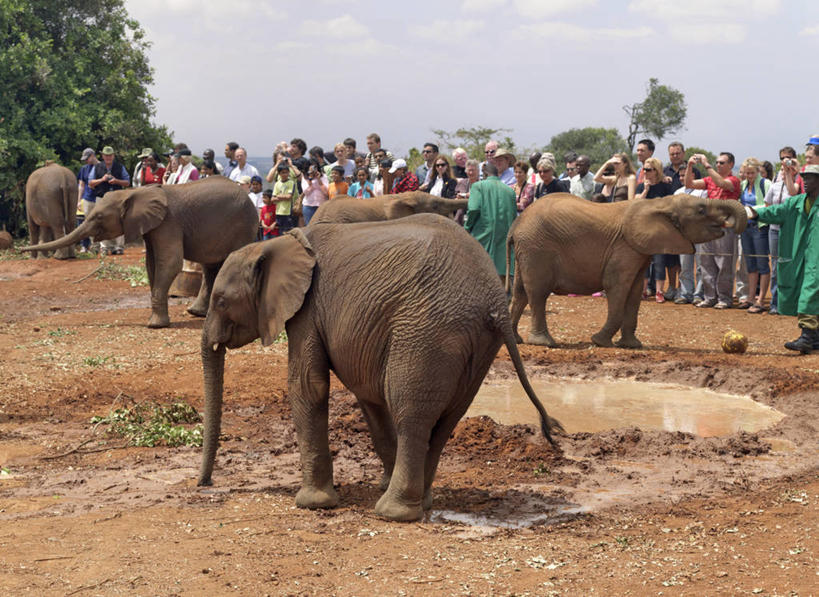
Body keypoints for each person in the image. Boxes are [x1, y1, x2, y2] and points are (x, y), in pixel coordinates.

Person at [746, 164, 819, 353]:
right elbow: (775, 212)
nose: (805, 181)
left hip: (815, 260)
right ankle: (814, 336)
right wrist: (752, 212)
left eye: (810, 178)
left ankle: (807, 336)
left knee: (810, 291)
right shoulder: (795, 203)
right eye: (804, 177)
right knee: (805, 290)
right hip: (799, 256)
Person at [685, 152, 741, 309]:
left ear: (731, 165)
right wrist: (689, 166)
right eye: (717, 162)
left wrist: (706, 165)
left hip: (724, 227)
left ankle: (724, 298)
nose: (718, 165)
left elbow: (722, 184)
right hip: (707, 227)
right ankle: (710, 297)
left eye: (722, 163)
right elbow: (689, 184)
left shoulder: (734, 180)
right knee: (706, 262)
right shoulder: (709, 179)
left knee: (724, 263)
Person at [465, 163, 518, 281]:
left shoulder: (477, 186)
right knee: (503, 277)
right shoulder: (510, 191)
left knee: (481, 276)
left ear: (484, 174)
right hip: (505, 239)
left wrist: (467, 228)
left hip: (483, 236)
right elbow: (514, 217)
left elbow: (473, 209)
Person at [764, 147, 801, 315]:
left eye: (788, 158)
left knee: (789, 264)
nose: (784, 160)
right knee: (775, 267)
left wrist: (790, 172)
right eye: (782, 158)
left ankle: (790, 302)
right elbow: (769, 205)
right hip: (774, 229)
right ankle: (775, 303)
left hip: (791, 229)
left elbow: (794, 192)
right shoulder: (775, 182)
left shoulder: (800, 179)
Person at [636, 157, 675, 302]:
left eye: (648, 169)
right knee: (644, 261)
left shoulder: (665, 187)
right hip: (644, 228)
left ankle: (659, 291)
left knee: (659, 260)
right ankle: (644, 290)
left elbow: (669, 206)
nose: (645, 172)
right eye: (644, 169)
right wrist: (645, 190)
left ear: (656, 171)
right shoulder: (641, 187)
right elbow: (635, 205)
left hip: (660, 229)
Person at [738, 157, 772, 313]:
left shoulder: (766, 184)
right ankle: (751, 297)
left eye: (752, 173)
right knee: (750, 265)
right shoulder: (743, 185)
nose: (749, 176)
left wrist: (752, 210)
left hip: (760, 227)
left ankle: (761, 299)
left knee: (762, 264)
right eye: (747, 173)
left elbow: (769, 205)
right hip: (746, 227)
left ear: (758, 171)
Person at [673, 162, 707, 305]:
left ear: (693, 175)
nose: (682, 178)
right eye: (680, 175)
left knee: (700, 264)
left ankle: (699, 293)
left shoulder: (702, 191)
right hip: (683, 233)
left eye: (685, 174)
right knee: (685, 264)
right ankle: (686, 293)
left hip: (699, 231)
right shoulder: (677, 192)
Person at [89, 146, 130, 255]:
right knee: (102, 222)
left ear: (113, 156)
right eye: (106, 155)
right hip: (102, 198)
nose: (108, 157)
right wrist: (102, 180)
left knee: (119, 221)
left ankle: (119, 246)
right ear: (102, 156)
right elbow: (91, 183)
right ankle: (105, 247)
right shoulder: (97, 167)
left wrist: (116, 181)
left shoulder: (120, 167)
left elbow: (127, 182)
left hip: (117, 198)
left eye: (110, 155)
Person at [76, 147, 98, 253]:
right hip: (86, 198)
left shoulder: (101, 167)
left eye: (87, 158)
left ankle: (95, 246)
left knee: (96, 223)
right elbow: (81, 185)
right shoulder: (84, 169)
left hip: (98, 199)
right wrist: (79, 200)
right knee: (82, 222)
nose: (86, 161)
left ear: (93, 156)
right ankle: (84, 245)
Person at [272, 163, 297, 234]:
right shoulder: (277, 184)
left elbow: (289, 197)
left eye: (286, 172)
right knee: (280, 231)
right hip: (279, 212)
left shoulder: (291, 183)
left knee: (288, 232)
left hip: (288, 212)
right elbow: (273, 199)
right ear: (279, 174)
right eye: (283, 173)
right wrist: (283, 197)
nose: (285, 174)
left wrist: (279, 196)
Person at [454, 159, 480, 225]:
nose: (471, 173)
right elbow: (457, 196)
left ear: (478, 171)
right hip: (461, 218)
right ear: (466, 171)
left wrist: (465, 196)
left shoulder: (482, 184)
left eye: (473, 170)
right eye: (469, 170)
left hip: (478, 218)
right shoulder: (462, 183)